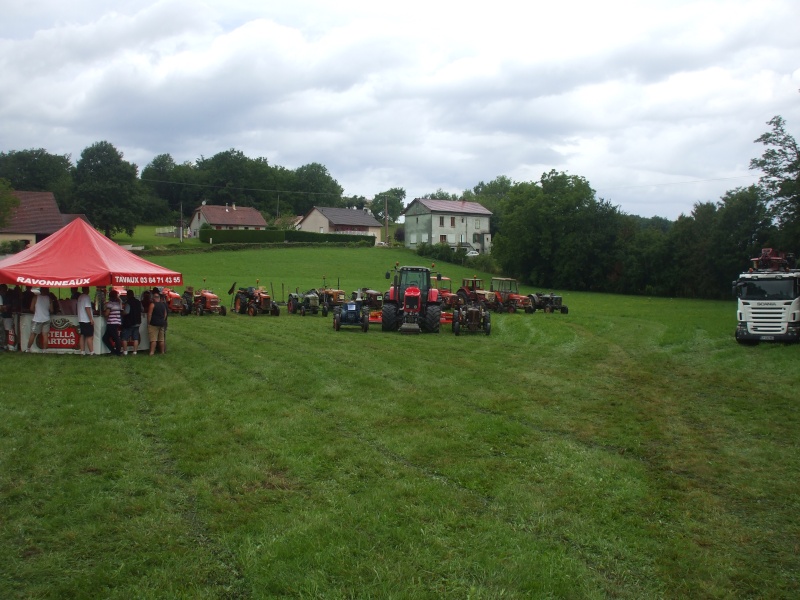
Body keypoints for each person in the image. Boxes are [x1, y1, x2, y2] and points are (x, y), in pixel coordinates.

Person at [25, 287, 54, 352]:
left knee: (33, 334)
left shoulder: (35, 297)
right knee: (45, 335)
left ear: (40, 290)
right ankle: (44, 350)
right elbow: (52, 310)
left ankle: (28, 349)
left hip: (37, 318)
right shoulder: (49, 299)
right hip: (46, 318)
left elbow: (31, 308)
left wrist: (36, 311)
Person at [120, 289, 142, 355]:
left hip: (129, 323)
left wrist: (122, 313)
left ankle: (125, 352)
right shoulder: (138, 302)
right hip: (137, 322)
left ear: (128, 295)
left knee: (125, 338)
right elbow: (142, 309)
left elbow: (126, 312)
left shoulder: (128, 303)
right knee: (136, 338)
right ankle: (135, 352)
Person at [102, 289, 123, 356]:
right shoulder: (118, 303)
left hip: (111, 323)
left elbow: (106, 314)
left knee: (114, 338)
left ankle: (117, 352)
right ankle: (114, 351)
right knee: (106, 338)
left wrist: (103, 313)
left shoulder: (110, 304)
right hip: (117, 322)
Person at [147, 289, 168, 355]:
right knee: (161, 339)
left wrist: (149, 322)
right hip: (161, 323)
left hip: (154, 324)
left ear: (153, 298)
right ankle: (162, 352)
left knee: (153, 339)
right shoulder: (163, 305)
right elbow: (165, 314)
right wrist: (162, 320)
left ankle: (152, 352)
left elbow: (149, 314)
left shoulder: (152, 305)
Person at [77, 286, 95, 356]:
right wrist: (91, 318)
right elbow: (87, 308)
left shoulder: (80, 297)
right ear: (87, 290)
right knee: (90, 336)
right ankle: (92, 352)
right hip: (86, 319)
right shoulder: (87, 297)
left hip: (81, 319)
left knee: (82, 335)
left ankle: (82, 351)